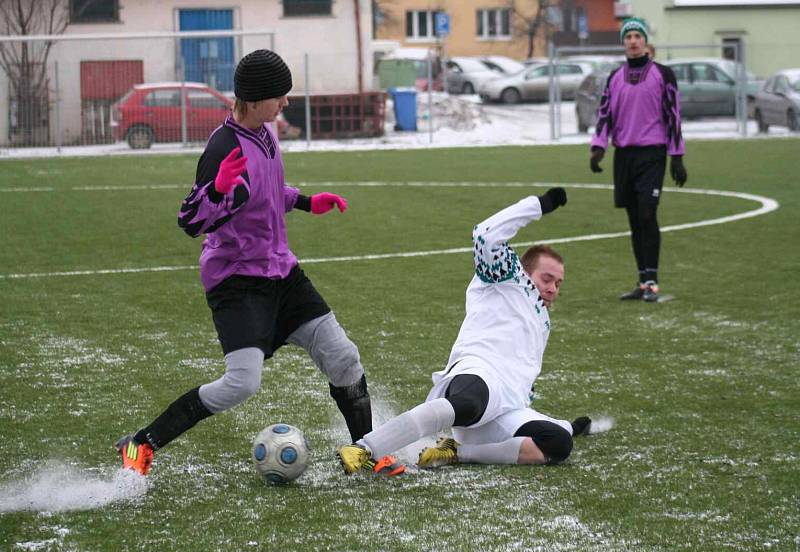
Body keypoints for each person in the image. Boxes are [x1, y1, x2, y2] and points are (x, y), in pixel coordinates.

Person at [115, 49, 400, 476]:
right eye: (279, 96)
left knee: (344, 358)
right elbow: (190, 219)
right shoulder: (223, 147)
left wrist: (305, 201)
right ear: (253, 99)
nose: (285, 102)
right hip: (238, 282)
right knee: (241, 384)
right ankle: (140, 445)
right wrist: (216, 190)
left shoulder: (267, 133)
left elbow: (268, 191)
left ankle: (366, 451)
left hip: (282, 274)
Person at [337, 188, 591, 476]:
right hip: (480, 373)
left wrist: (571, 426)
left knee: (559, 443)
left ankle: (457, 452)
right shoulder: (507, 276)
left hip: (506, 408)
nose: (552, 288)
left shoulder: (542, 322)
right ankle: (365, 447)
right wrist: (540, 205)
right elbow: (486, 234)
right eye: (547, 278)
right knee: (469, 403)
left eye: (558, 284)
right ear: (525, 270)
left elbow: (524, 377)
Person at [589, 17, 687, 303]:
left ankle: (653, 283)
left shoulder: (663, 74)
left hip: (652, 154)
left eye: (637, 36)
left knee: (647, 213)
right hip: (625, 156)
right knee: (634, 219)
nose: (632, 41)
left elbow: (674, 117)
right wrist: (598, 148)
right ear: (623, 42)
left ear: (645, 41)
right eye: (628, 36)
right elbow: (605, 114)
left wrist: (677, 156)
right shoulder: (615, 78)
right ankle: (642, 282)